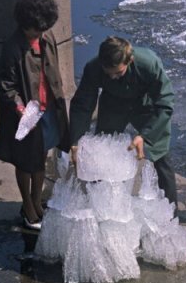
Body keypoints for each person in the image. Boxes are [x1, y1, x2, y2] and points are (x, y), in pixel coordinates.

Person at [69, 36, 177, 205]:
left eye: (118, 72)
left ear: (130, 60)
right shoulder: (93, 67)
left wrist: (145, 135)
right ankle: (102, 204)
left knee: (161, 157)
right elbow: (82, 105)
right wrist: (75, 140)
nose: (113, 77)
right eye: (108, 73)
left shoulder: (148, 63)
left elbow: (164, 103)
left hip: (144, 104)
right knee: (102, 151)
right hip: (113, 104)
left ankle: (171, 214)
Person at [0, 0, 70, 230]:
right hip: (26, 113)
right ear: (24, 25)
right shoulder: (12, 48)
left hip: (48, 109)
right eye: (34, 31)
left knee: (41, 157)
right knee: (25, 162)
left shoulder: (46, 35)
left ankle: (37, 200)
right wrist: (21, 111)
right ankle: (28, 204)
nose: (38, 34)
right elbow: (7, 86)